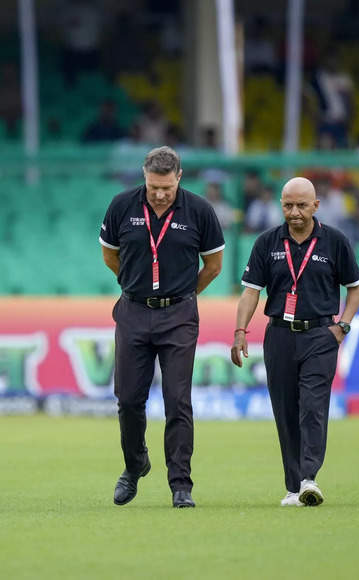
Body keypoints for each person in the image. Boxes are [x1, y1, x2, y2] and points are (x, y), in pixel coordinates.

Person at [99, 146, 225, 509]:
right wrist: (134, 285)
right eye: (154, 186)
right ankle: (134, 464)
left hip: (179, 316)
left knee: (178, 400)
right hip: (133, 311)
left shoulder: (200, 211)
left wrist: (184, 295)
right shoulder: (122, 206)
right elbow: (110, 254)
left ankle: (180, 484)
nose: (159, 194)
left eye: (166, 188)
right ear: (144, 175)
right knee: (128, 400)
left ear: (179, 178)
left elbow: (213, 265)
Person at [231, 177, 359, 507]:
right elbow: (251, 291)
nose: (294, 212)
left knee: (313, 408)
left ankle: (309, 478)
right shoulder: (266, 242)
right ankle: (293, 487)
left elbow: (355, 288)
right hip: (278, 335)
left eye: (302, 205)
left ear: (316, 206)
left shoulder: (335, 241)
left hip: (321, 335)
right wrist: (240, 331)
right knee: (285, 411)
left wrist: (342, 327)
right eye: (288, 205)